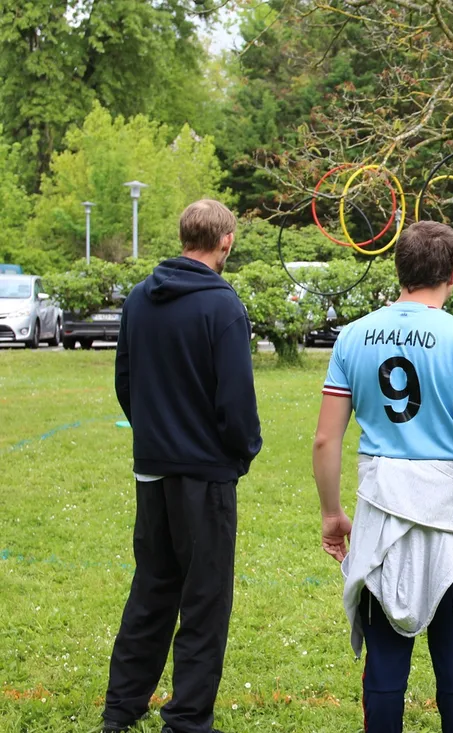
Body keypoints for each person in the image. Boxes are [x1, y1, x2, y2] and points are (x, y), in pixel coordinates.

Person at [313, 221, 453, 733]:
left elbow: (325, 439)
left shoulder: (354, 335)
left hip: (381, 517)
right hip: (452, 526)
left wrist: (331, 512)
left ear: (400, 268)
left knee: (384, 668)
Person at [104, 199, 263, 733]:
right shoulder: (223, 306)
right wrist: (240, 451)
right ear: (227, 242)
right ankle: (187, 718)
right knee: (203, 598)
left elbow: (125, 381)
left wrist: (153, 436)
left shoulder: (139, 300)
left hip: (154, 469)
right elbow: (236, 397)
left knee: (152, 588)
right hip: (204, 474)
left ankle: (121, 707)